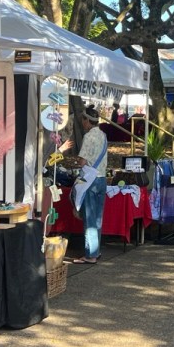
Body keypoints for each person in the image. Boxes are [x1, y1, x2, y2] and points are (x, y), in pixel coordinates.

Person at [71, 106, 108, 264]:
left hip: (91, 181)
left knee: (89, 218)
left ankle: (90, 254)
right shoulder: (103, 135)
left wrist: (77, 161)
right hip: (102, 179)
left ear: (87, 120)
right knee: (97, 218)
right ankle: (96, 250)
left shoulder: (89, 137)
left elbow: (83, 161)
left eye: (83, 120)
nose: (82, 123)